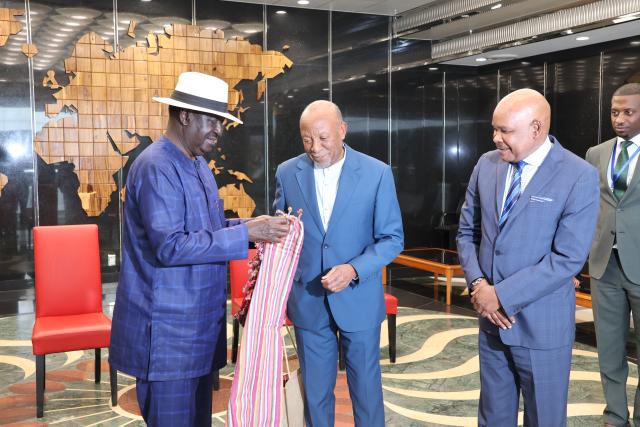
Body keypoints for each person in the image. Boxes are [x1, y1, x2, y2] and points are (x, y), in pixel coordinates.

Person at [108, 72, 290, 427]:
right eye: (213, 121)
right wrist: (246, 234)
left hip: (199, 335)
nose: (219, 130)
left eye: (221, 122)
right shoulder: (155, 166)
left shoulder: (198, 165)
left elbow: (208, 232)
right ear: (186, 116)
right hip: (168, 341)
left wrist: (255, 230)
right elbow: (172, 247)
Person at [456, 88, 599, 426]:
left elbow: (567, 257)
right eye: (494, 129)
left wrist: (501, 295)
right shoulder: (486, 165)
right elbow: (467, 233)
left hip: (541, 327)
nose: (495, 138)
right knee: (493, 418)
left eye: (505, 131)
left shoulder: (578, 175)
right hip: (491, 323)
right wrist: (479, 285)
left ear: (536, 129)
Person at [273, 100, 404, 427]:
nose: (314, 148)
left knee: (366, 391)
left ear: (342, 131)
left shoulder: (377, 173)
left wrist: (354, 269)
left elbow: (392, 238)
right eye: (306, 140)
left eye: (323, 138)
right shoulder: (288, 173)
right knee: (315, 394)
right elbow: (283, 235)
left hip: (358, 299)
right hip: (309, 300)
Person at [586, 82, 640, 427]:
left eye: (628, 112)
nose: (619, 119)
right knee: (609, 347)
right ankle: (615, 415)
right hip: (605, 263)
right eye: (614, 112)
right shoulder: (596, 153)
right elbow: (589, 208)